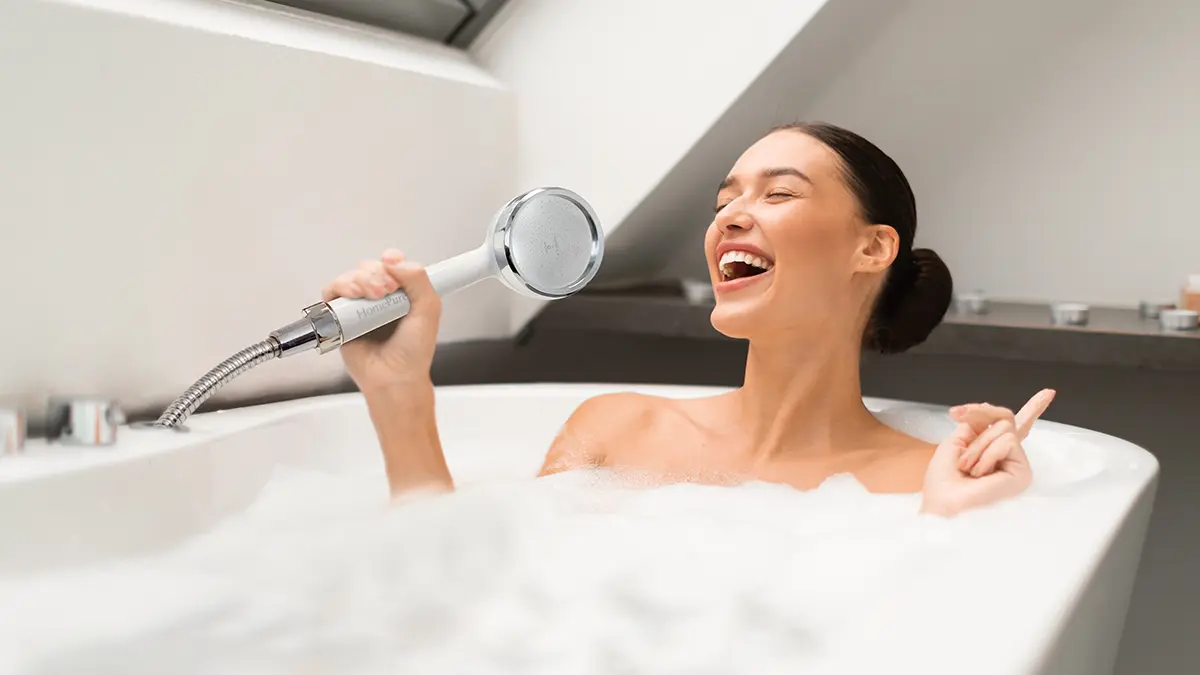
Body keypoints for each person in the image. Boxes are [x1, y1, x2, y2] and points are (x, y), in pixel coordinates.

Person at [321, 121, 1055, 517]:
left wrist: (953, 520)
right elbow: (460, 598)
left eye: (779, 194)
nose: (731, 215)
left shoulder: (917, 477)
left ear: (871, 247)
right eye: (723, 201)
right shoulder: (617, 428)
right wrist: (400, 393)